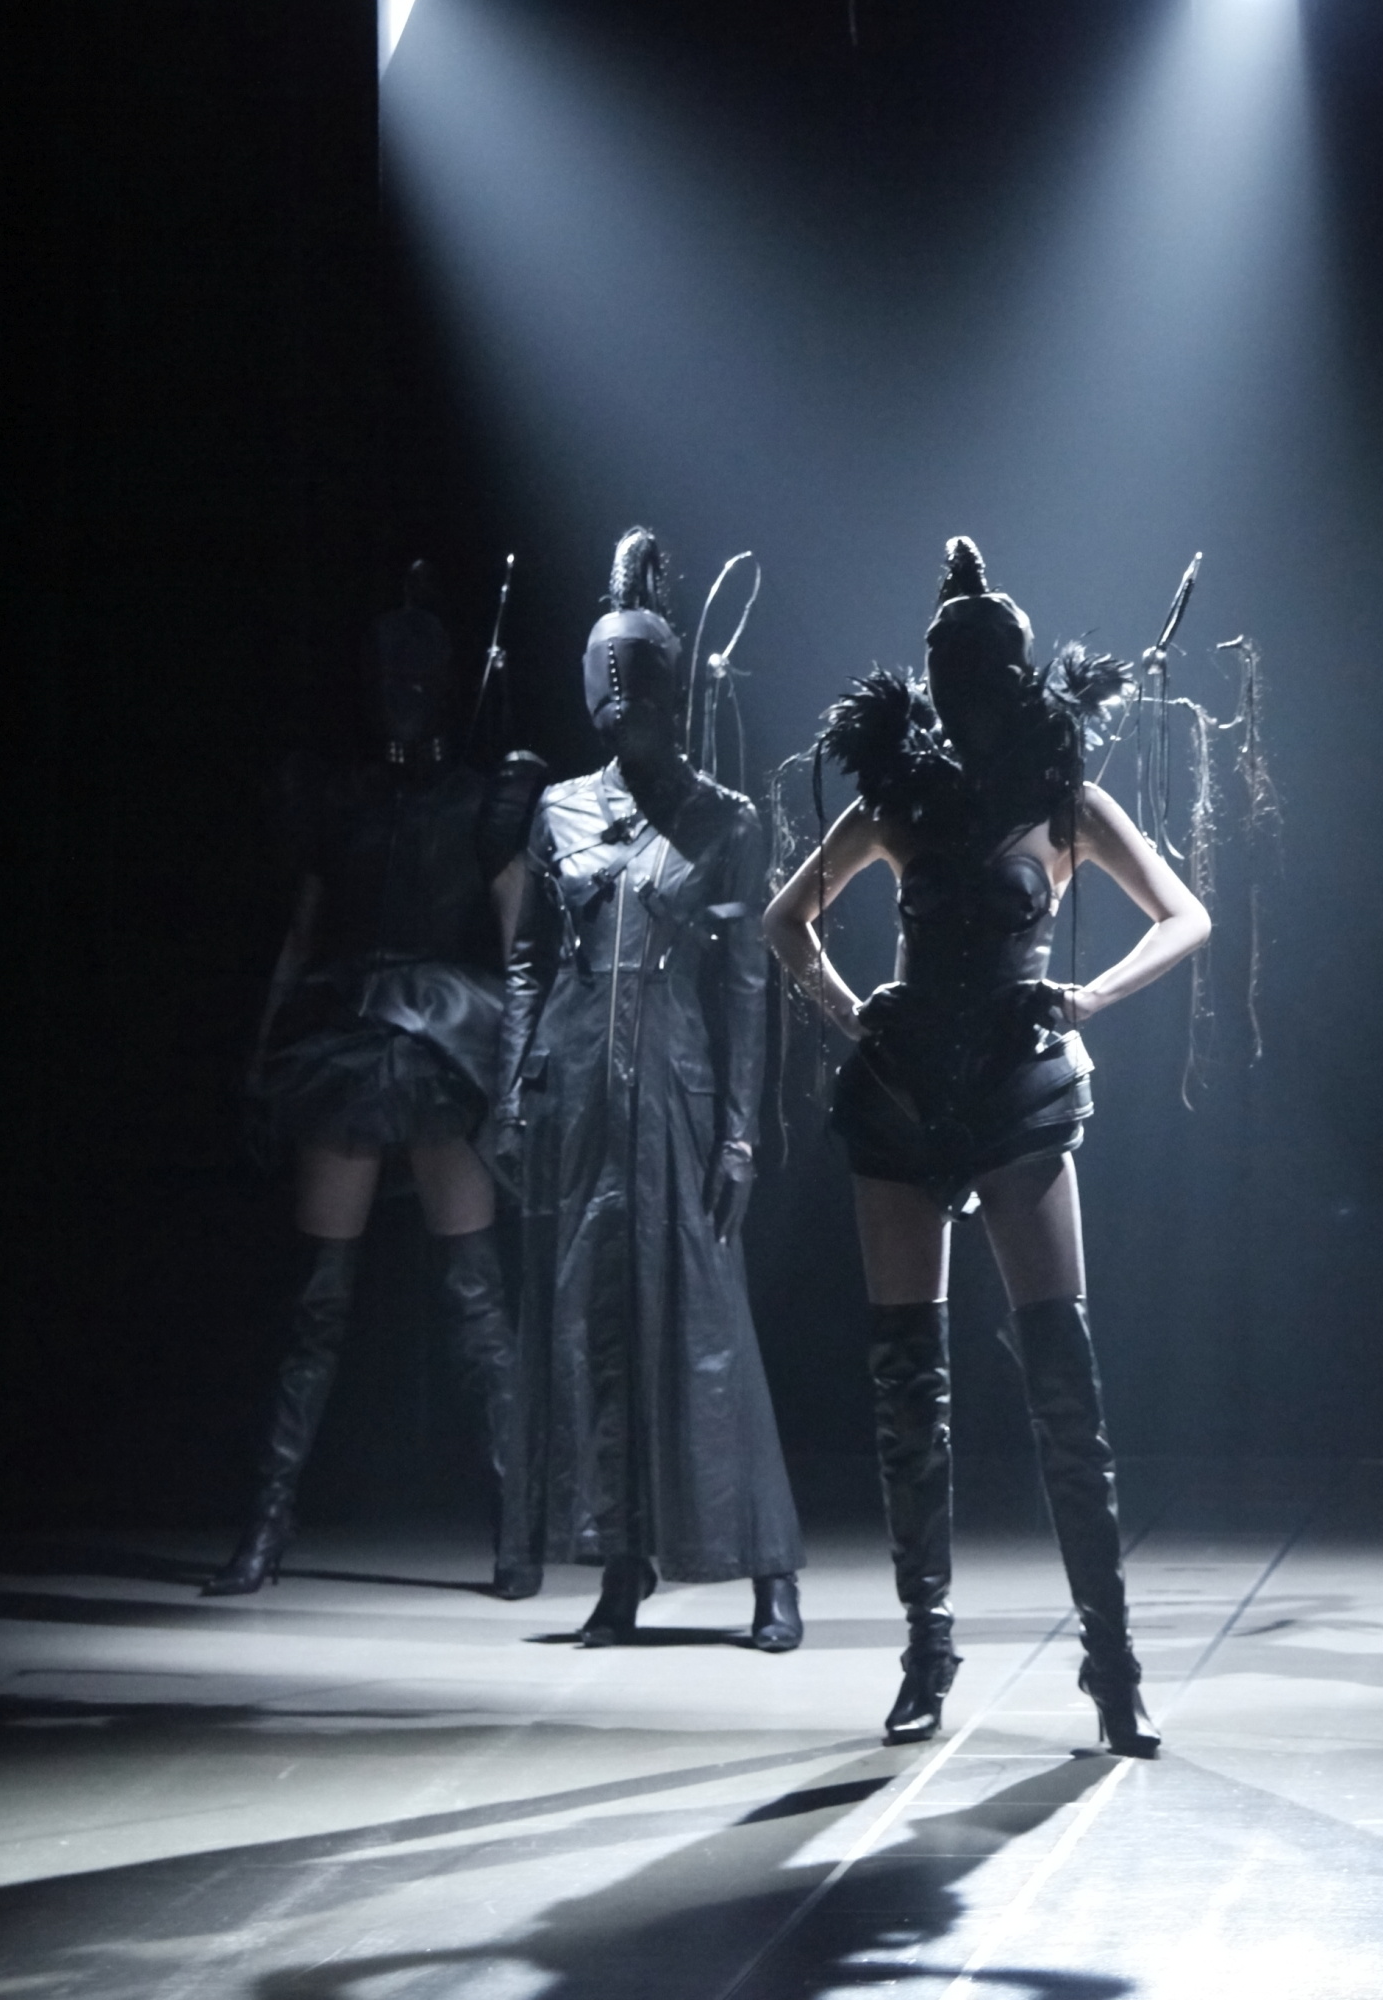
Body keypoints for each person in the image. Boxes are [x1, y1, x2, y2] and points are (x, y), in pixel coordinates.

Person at [765, 536, 1209, 1756]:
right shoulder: (896, 803)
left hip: (1018, 1084)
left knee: (1061, 1379)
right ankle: (928, 1645)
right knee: (907, 1379)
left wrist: (1091, 995)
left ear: (1012, 675)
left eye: (978, 670)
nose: (961, 690)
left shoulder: (1063, 804)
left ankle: (1111, 1658)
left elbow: (1186, 914)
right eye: (945, 672)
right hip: (905, 1089)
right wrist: (851, 1009)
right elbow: (787, 919)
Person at [211, 562, 547, 1599]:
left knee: (475, 1293)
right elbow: (302, 934)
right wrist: (261, 1054)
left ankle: (516, 1522)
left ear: (443, 684)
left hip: (449, 1045)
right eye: (387, 677)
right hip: (348, 1039)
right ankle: (267, 1523)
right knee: (319, 1297)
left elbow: (519, 951)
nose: (401, 693)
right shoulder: (340, 797)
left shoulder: (481, 800)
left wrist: (518, 1072)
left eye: (417, 677)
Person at [498, 528, 804, 1650]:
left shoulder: (726, 819)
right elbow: (527, 959)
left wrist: (740, 1134)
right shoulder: (560, 810)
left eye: (643, 688)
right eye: (610, 689)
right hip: (578, 1089)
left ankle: (769, 1566)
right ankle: (620, 1565)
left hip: (675, 1087)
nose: (626, 709)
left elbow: (748, 986)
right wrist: (513, 1086)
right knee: (594, 1324)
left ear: (671, 693)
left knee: (708, 1323)